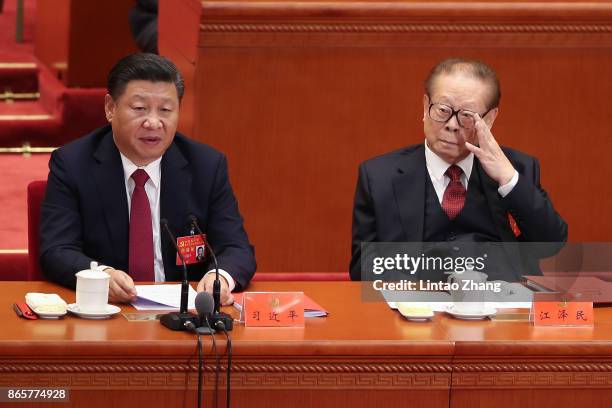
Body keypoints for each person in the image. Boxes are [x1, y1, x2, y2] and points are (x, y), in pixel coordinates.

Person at [40, 53, 256, 304]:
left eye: (165, 110)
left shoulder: (206, 166)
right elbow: (56, 251)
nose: (153, 122)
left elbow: (236, 248)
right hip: (106, 311)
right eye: (140, 108)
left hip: (183, 318)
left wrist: (220, 277)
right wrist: (101, 275)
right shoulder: (73, 164)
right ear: (111, 108)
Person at [350, 58, 567, 282]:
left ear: (489, 119)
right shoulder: (379, 176)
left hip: (500, 307)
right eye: (443, 110)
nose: (452, 124)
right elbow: (362, 266)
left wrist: (508, 180)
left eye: (467, 116)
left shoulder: (516, 169)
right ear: (425, 107)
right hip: (416, 308)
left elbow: (549, 246)